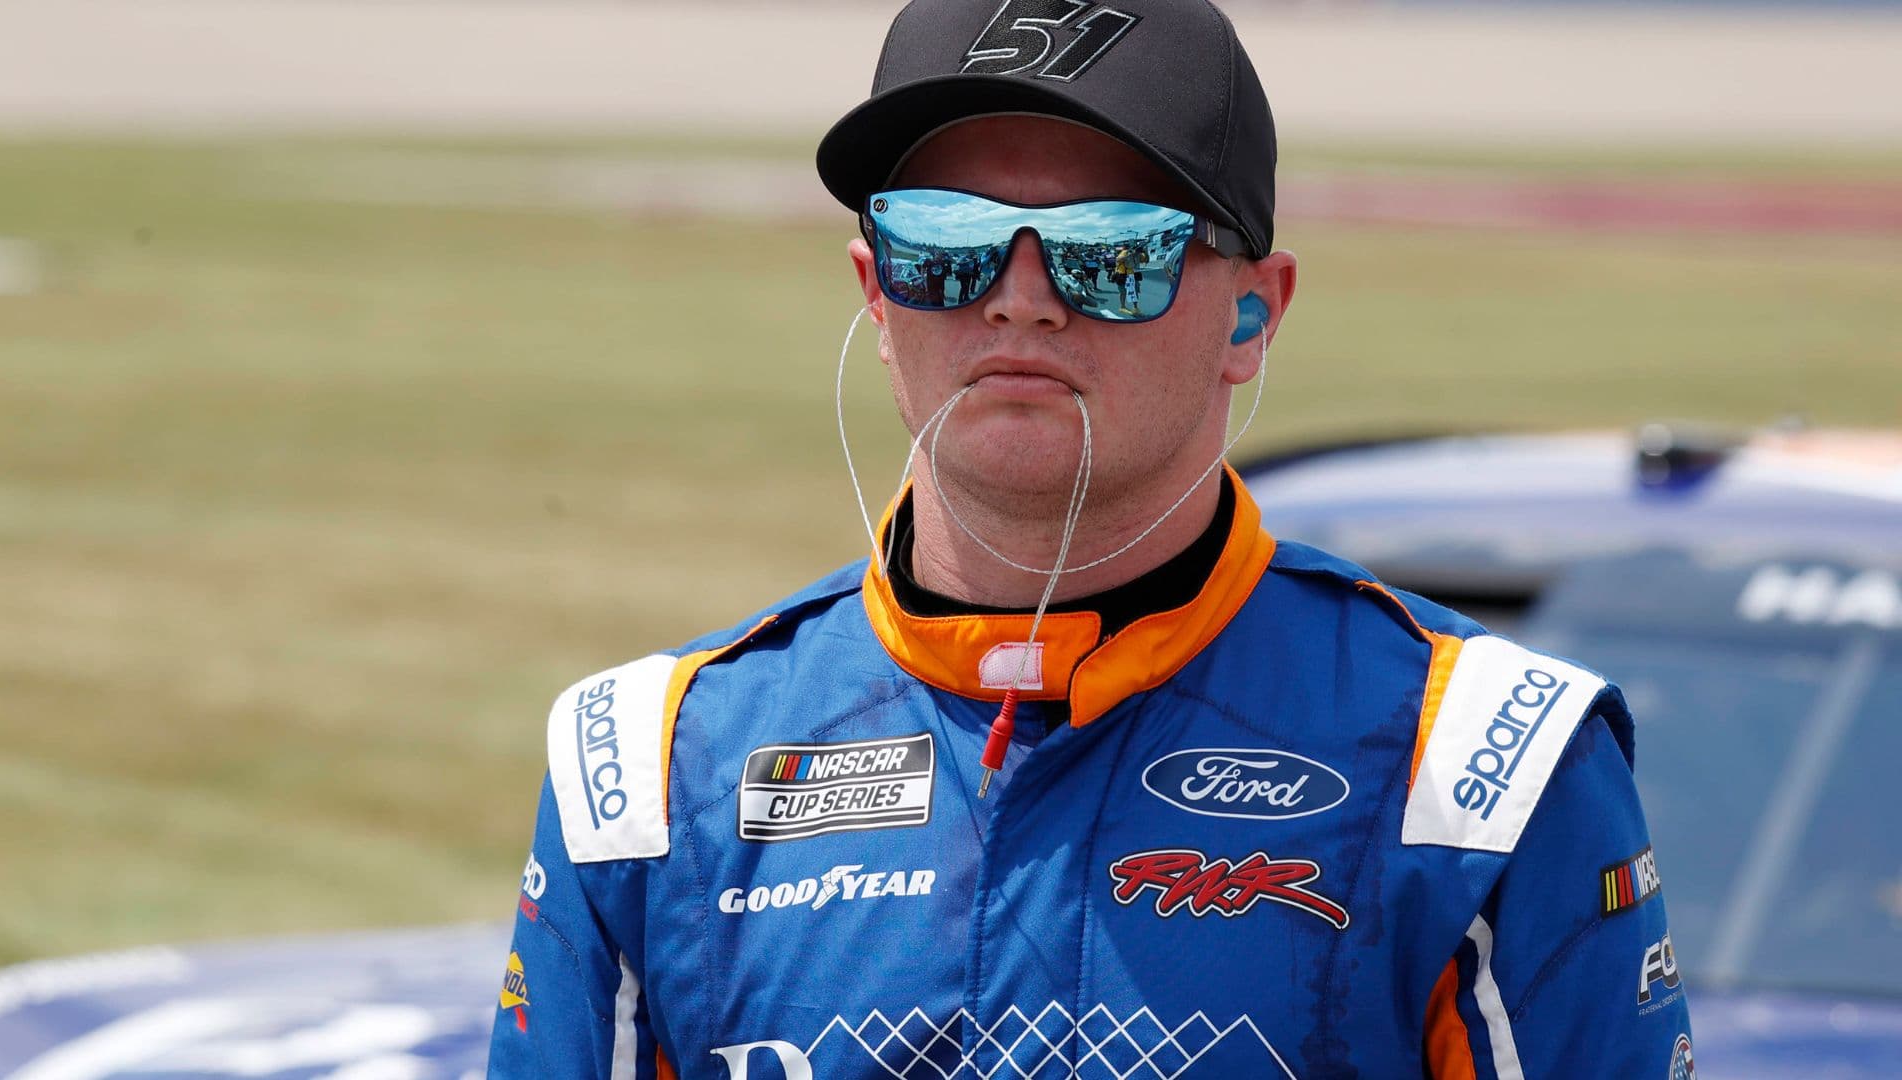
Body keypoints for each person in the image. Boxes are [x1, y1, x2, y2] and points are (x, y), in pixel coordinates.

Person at [488, 2, 1693, 1077]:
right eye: (944, 247)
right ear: (873, 288)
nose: (1019, 296)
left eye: (1111, 252)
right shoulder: (646, 767)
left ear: (1250, 314)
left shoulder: (1486, 766)